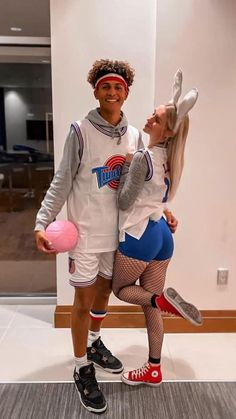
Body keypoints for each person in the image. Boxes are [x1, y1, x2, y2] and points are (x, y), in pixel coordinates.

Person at [34, 62, 200, 413]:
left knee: (105, 296)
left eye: (118, 87)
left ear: (126, 92)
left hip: (120, 239)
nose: (112, 92)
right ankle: (82, 367)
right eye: (105, 86)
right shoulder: (79, 131)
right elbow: (62, 181)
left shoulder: (138, 136)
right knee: (81, 303)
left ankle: (94, 342)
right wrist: (41, 221)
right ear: (95, 90)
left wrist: (163, 209)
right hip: (85, 236)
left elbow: (145, 189)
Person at [112, 70, 199, 386]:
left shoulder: (142, 158)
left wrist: (124, 169)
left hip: (140, 236)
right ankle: (154, 368)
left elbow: (124, 203)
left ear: (167, 130)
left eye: (157, 118)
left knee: (122, 290)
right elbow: (158, 200)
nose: (150, 119)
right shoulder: (170, 160)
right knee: (151, 308)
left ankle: (160, 300)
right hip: (162, 236)